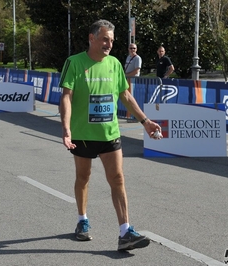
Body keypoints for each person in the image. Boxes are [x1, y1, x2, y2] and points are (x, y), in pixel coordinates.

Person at [59, 19, 162, 251]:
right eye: (105, 39)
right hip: (83, 134)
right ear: (92, 38)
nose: (109, 44)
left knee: (117, 179)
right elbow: (66, 96)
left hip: (110, 134)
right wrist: (66, 128)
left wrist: (145, 121)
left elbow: (125, 94)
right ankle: (82, 220)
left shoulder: (115, 64)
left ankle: (125, 231)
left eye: (112, 40)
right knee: (83, 178)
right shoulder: (74, 63)